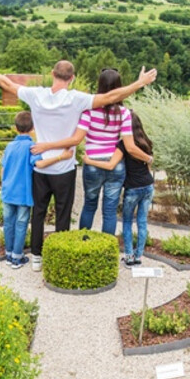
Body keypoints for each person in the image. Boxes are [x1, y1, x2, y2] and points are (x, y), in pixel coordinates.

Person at [0, 53, 157, 271]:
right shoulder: (77, 99)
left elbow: (7, 83)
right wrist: (139, 83)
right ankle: (64, 255)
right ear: (72, 78)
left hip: (41, 166)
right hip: (65, 167)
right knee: (65, 214)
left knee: (39, 213)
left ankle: (36, 257)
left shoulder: (36, 95)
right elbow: (111, 97)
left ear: (52, 74)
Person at [31, 68, 153, 236]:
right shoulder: (124, 113)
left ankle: (85, 243)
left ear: (100, 86)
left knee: (89, 205)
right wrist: (149, 158)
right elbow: (130, 146)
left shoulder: (88, 111)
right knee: (110, 210)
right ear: (119, 86)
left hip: (92, 162)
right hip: (115, 164)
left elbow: (77, 138)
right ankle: (106, 248)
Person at [0, 111, 72, 268]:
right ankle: (17, 257)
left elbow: (3, 170)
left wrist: (3, 186)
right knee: (21, 224)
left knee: (8, 223)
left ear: (15, 128)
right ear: (33, 128)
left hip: (7, 192)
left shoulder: (9, 146)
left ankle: (8, 254)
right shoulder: (32, 147)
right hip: (23, 193)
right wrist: (62, 157)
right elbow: (40, 164)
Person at [83, 112, 155, 266]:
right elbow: (148, 166)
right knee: (141, 221)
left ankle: (128, 256)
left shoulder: (124, 145)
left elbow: (110, 165)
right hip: (148, 186)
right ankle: (137, 257)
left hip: (132, 189)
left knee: (126, 221)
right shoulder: (146, 143)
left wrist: (89, 160)